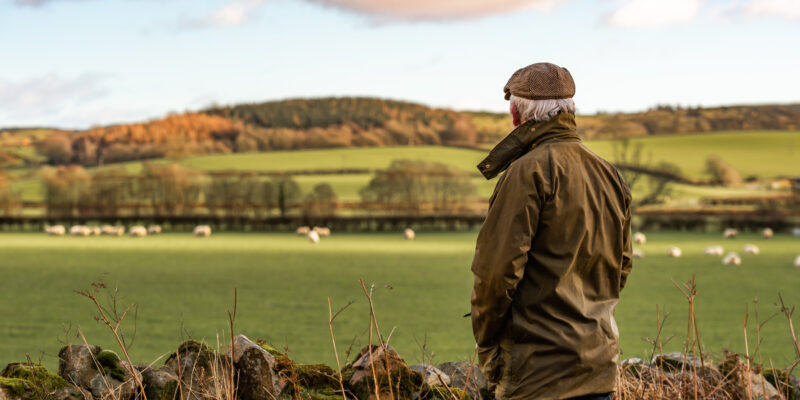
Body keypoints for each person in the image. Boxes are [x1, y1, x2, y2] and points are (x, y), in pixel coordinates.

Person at [470, 62, 633, 400]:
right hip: (599, 369)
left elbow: (497, 275)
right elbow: (622, 265)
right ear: (569, 109)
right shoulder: (609, 174)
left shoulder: (526, 173)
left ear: (516, 115)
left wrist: (488, 346)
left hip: (537, 378)